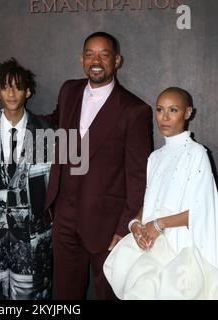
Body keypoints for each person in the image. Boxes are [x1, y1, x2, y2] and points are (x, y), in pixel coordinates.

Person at [103, 87, 218, 300]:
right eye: (160, 109)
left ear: (188, 112)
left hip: (184, 248)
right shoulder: (154, 158)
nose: (164, 117)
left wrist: (158, 225)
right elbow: (150, 201)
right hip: (154, 245)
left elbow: (202, 211)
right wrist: (136, 224)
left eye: (173, 110)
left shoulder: (196, 154)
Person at [43, 31, 153, 299]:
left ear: (117, 60)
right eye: (90, 54)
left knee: (108, 295)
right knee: (65, 295)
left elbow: (139, 176)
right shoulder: (69, 90)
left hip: (107, 224)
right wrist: (13, 116)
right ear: (82, 59)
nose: (96, 61)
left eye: (104, 55)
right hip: (64, 216)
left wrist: (124, 228)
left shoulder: (134, 110)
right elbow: (54, 121)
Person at [0, 58, 54, 300]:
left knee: (31, 295)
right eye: (5, 86)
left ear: (28, 91)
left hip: (32, 234)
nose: (11, 93)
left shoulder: (47, 133)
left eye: (18, 86)